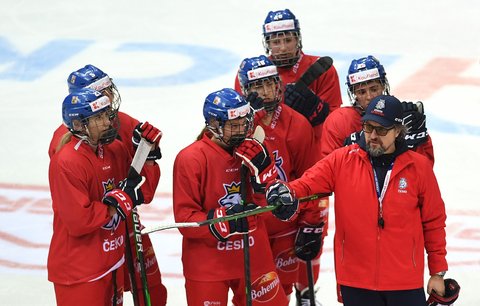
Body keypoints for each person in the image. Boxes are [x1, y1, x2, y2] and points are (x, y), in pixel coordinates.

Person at [265, 95, 448, 306]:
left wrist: (438, 272)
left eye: (381, 130)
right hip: (356, 281)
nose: (372, 136)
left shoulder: (419, 167)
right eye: (368, 127)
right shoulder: (342, 159)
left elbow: (433, 221)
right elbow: (307, 183)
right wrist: (285, 191)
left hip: (405, 282)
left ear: (398, 131)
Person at [48, 65, 167, 306]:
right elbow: (77, 215)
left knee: (152, 292)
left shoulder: (113, 133)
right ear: (80, 122)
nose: (110, 101)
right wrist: (112, 207)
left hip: (117, 239)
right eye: (102, 97)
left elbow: (141, 189)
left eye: (109, 92)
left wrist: (148, 153)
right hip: (88, 255)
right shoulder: (65, 153)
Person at [173, 88, 290, 305]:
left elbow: (269, 206)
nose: (241, 130)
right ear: (214, 125)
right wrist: (225, 220)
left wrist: (264, 178)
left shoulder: (256, 149)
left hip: (254, 255)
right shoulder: (190, 158)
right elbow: (185, 219)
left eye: (244, 123)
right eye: (233, 126)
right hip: (208, 265)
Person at [237, 55, 325, 300]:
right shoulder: (234, 125)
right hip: (248, 227)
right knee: (251, 296)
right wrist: (248, 120)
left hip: (286, 224)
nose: (266, 91)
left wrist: (312, 222)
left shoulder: (297, 125)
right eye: (258, 86)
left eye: (271, 83)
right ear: (245, 90)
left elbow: (312, 179)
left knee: (282, 293)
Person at [235, 8, 342, 150]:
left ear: (298, 39)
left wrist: (317, 111)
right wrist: (250, 114)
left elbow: (338, 124)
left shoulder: (322, 70)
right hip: (266, 149)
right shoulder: (250, 76)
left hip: (312, 148)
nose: (283, 48)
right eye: (276, 42)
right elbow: (234, 127)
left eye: (288, 40)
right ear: (267, 43)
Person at [321, 55, 435, 164]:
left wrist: (417, 138)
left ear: (383, 86)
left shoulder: (402, 117)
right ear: (354, 94)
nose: (369, 97)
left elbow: (424, 170)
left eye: (374, 89)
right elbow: (329, 170)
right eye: (361, 92)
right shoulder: (339, 121)